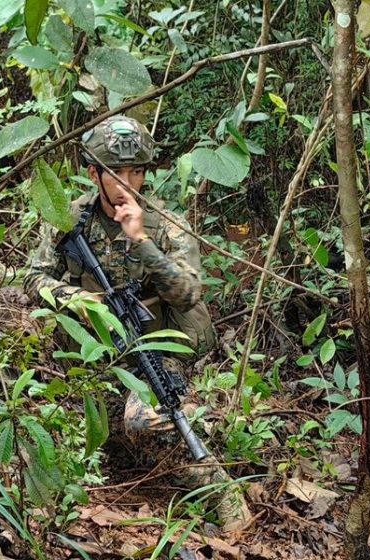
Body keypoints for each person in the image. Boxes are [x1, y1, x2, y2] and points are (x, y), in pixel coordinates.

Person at [23, 115, 251, 532]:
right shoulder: (68, 219)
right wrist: (74, 298)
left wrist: (142, 242)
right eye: (117, 172)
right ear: (94, 174)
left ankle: (219, 487)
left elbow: (188, 293)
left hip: (156, 349)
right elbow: (33, 277)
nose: (129, 181)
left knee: (146, 421)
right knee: (111, 443)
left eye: (138, 171)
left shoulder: (164, 225)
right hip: (98, 357)